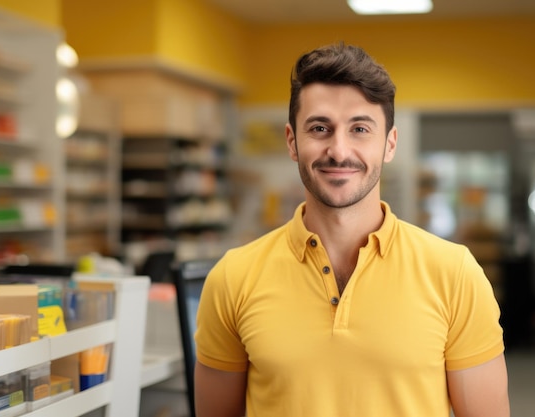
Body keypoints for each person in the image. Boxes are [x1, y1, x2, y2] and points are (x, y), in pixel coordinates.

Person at [194, 42, 510, 417]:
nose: (339, 150)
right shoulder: (233, 277)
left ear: (389, 144)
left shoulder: (455, 273)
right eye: (319, 128)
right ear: (292, 142)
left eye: (360, 128)